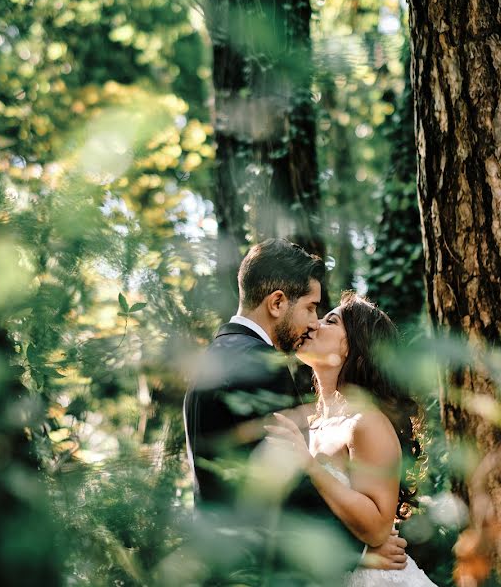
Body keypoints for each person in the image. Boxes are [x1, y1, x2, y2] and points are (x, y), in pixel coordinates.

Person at [183, 239, 408, 584]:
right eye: (311, 308)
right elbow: (284, 497)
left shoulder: (213, 359)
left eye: (325, 317)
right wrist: (361, 553)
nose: (313, 323)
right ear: (277, 303)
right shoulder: (260, 366)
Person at [267, 292, 437, 586]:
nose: (314, 324)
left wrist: (309, 465)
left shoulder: (365, 422)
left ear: (355, 348)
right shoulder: (313, 424)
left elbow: (377, 530)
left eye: (330, 320)